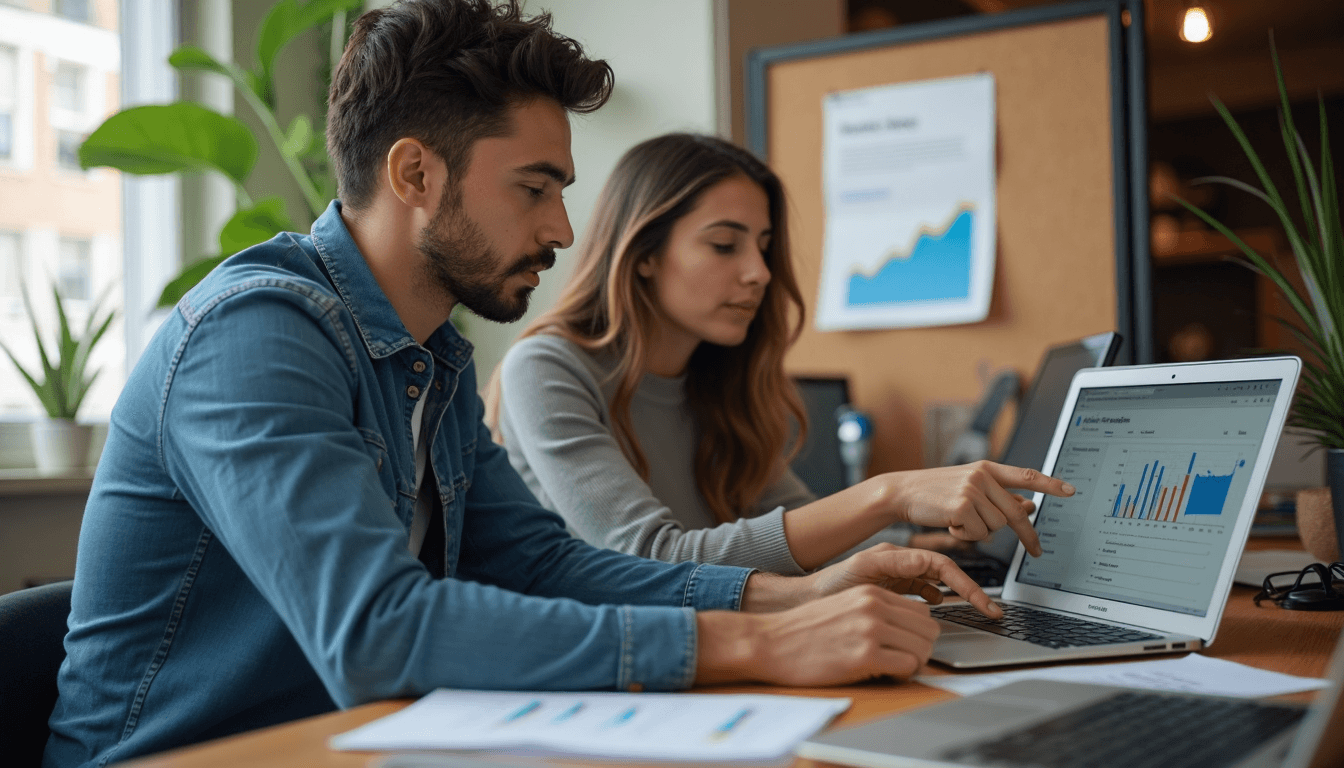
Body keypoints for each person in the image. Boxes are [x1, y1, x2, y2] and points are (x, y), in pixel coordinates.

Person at [44, 3, 1010, 766]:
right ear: (416, 173)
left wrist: (788, 599)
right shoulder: (254, 336)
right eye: (535, 188)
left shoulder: (435, 359)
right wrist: (759, 646)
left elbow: (544, 566)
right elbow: (378, 633)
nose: (560, 229)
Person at [493, 133, 1073, 575]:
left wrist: (923, 546)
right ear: (643, 252)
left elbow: (795, 526)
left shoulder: (717, 382)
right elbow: (654, 561)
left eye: (764, 247)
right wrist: (891, 493)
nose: (759, 273)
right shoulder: (546, 368)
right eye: (724, 245)